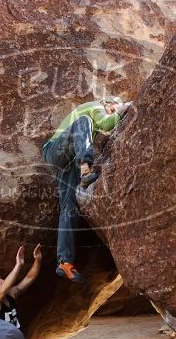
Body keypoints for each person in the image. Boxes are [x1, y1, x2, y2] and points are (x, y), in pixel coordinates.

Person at [42, 96, 131, 283]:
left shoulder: (90, 127)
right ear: (107, 103)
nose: (114, 111)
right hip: (54, 151)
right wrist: (123, 109)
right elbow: (106, 123)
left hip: (66, 160)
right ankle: (84, 169)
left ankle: (64, 262)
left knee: (69, 206)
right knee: (84, 122)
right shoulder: (96, 107)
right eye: (113, 108)